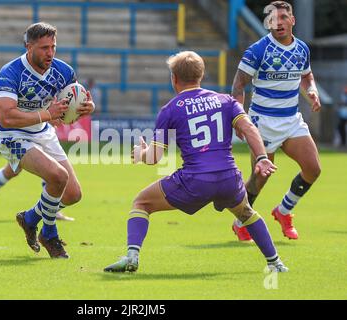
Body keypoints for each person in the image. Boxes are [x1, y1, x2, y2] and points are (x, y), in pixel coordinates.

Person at [104, 51, 288, 273]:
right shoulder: (226, 101)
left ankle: (132, 256)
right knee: (246, 213)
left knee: (141, 203)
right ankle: (275, 263)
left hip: (195, 180)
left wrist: (140, 152)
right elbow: (249, 128)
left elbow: (154, 158)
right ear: (201, 75)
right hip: (228, 177)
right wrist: (261, 158)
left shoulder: (170, 109)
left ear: (174, 78)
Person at [0, 22, 94, 258]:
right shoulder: (10, 73)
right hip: (13, 136)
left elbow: (74, 102)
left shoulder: (63, 71)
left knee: (72, 195)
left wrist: (88, 107)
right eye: (44, 48)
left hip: (42, 132)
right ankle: (49, 234)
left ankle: (29, 218)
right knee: (58, 176)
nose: (50, 53)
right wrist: (47, 114)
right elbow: (6, 117)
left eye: (53, 47)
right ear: (29, 47)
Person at [231, 1, 321, 241]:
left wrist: (311, 90)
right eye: (272, 19)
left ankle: (283, 211)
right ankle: (241, 221)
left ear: (292, 20)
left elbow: (307, 75)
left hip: (291, 120)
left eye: (283, 17)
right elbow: (238, 85)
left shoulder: (302, 49)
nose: (278, 22)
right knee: (261, 176)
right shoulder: (257, 50)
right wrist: (239, 118)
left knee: (313, 169)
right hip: (263, 122)